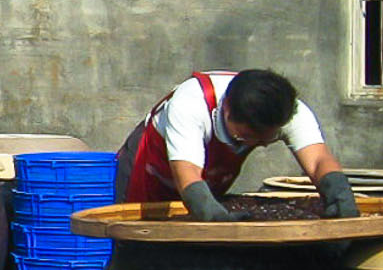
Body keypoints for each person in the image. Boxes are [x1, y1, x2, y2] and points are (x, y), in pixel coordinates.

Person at [115, 68, 357, 221]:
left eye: (266, 140)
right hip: (150, 172)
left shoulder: (287, 110)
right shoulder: (190, 104)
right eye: (247, 138)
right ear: (228, 110)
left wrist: (338, 191)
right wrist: (209, 213)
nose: (259, 147)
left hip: (204, 182)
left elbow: (316, 161)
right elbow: (187, 173)